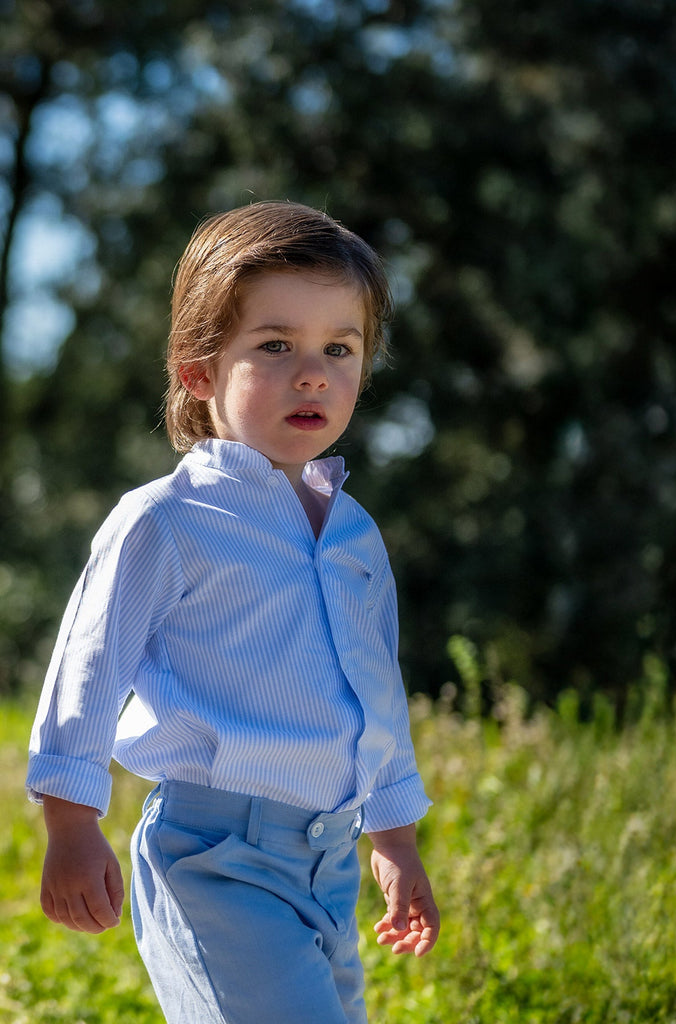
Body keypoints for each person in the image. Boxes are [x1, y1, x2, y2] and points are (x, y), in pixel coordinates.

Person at [27, 200, 439, 1024]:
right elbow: (87, 671)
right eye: (275, 345)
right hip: (212, 857)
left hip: (328, 864)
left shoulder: (355, 534)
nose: (313, 372)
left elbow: (373, 691)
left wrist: (393, 840)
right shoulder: (167, 520)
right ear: (198, 371)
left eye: (339, 347)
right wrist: (71, 825)